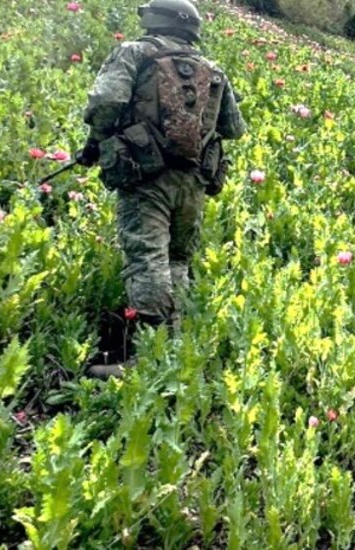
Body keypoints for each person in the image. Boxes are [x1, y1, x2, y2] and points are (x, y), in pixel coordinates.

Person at [75, 0, 247, 378]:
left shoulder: (135, 52)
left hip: (145, 175)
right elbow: (233, 128)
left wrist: (97, 141)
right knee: (177, 261)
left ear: (154, 20)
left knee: (147, 259)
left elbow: (106, 102)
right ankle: (174, 345)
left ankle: (148, 359)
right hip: (194, 181)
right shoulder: (213, 70)